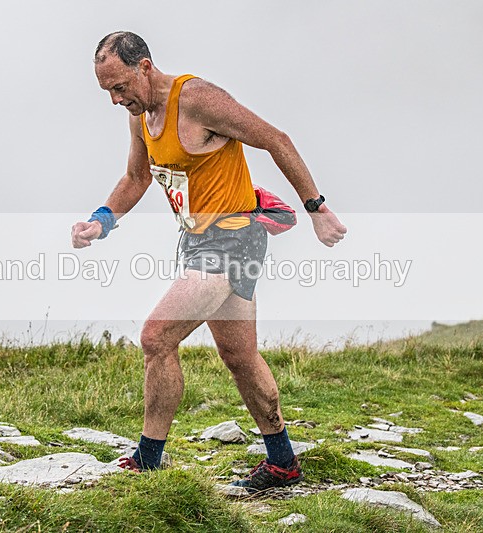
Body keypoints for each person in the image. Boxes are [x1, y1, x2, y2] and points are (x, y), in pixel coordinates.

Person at [71, 31, 347, 492]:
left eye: (120, 87)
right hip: (198, 242)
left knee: (156, 336)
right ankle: (283, 463)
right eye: (108, 92)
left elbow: (275, 139)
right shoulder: (141, 115)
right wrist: (101, 221)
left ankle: (148, 462)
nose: (116, 100)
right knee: (239, 356)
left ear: (144, 67)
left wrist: (317, 209)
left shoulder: (196, 99)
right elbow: (137, 177)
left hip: (234, 240)